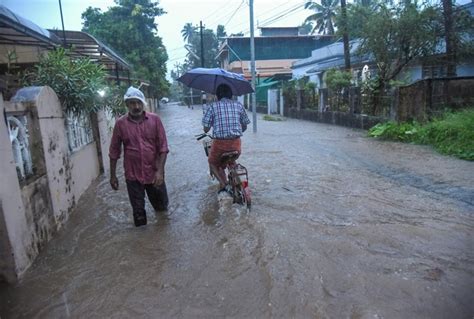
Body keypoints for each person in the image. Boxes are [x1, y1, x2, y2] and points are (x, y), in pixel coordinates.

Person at [109, 86, 169, 227]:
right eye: (132, 103)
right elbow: (114, 151)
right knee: (138, 215)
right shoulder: (120, 124)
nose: (136, 106)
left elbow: (163, 148)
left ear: (143, 103)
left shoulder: (155, 120)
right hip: (133, 175)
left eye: (138, 103)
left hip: (154, 174)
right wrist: (112, 176)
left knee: (162, 211)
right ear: (127, 104)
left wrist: (160, 172)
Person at [202, 84, 251, 193]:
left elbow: (205, 129)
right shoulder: (238, 105)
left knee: (212, 162)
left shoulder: (213, 106)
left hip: (219, 145)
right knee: (232, 158)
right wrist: (235, 132)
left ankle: (223, 184)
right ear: (230, 95)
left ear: (217, 95)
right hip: (236, 145)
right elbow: (245, 126)